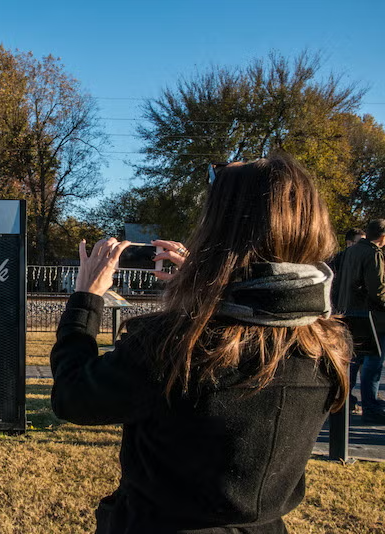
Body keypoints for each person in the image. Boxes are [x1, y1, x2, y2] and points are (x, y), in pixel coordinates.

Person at [51, 155, 350, 533]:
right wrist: (203, 284)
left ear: (219, 229)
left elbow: (73, 397)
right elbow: (260, 313)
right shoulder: (326, 342)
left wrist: (85, 298)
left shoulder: (174, 346)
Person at [333, 219, 385, 424]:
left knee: (353, 360)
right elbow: (377, 291)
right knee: (373, 362)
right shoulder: (373, 254)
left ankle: (344, 400)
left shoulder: (349, 253)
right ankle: (370, 406)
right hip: (372, 316)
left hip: (350, 311)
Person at [330, 227, 366, 413]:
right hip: (340, 313)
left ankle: (346, 396)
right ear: (349, 242)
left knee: (355, 358)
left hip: (351, 312)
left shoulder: (358, 260)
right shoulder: (338, 260)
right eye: (360, 242)